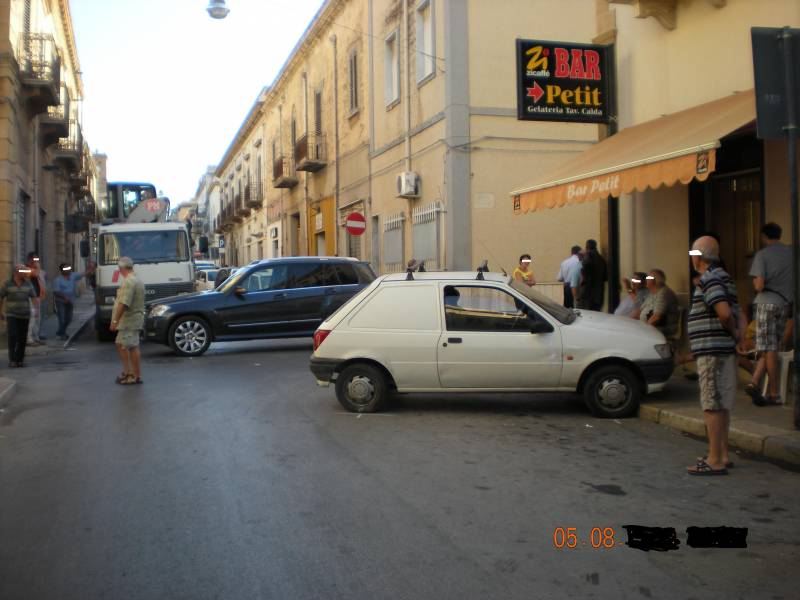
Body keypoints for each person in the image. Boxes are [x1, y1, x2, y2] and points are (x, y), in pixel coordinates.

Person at [686, 236, 745, 476]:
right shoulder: (725, 278)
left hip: (712, 350)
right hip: (721, 349)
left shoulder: (710, 278)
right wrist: (738, 335)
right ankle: (722, 453)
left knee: (711, 405)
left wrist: (731, 331)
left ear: (698, 257)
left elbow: (723, 312)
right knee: (721, 405)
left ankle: (715, 459)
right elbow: (739, 311)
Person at [745, 222, 794, 406]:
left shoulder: (762, 255)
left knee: (769, 348)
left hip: (766, 303)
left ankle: (774, 393)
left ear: (764, 237)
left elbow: (758, 285)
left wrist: (757, 283)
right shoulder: (791, 253)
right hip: (784, 304)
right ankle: (754, 382)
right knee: (772, 346)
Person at [110, 257, 145, 385]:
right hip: (131, 319)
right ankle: (128, 372)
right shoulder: (136, 279)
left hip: (129, 320)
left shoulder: (129, 282)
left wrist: (114, 321)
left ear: (121, 269)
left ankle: (134, 375)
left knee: (129, 346)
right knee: (122, 344)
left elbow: (124, 303)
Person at [0, 265, 36, 367]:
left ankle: (19, 360)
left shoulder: (28, 283)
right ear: (16, 272)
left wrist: (35, 309)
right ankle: (12, 360)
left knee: (22, 338)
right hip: (12, 314)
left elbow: (33, 297)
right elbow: (1, 297)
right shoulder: (7, 284)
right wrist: (0, 312)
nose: (25, 272)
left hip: (25, 314)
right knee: (13, 336)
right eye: (23, 271)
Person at [52, 262, 95, 341]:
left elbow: (83, 274)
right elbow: (56, 292)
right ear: (61, 271)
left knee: (69, 318)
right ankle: (63, 334)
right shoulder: (58, 280)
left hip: (70, 301)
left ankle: (60, 331)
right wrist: (64, 297)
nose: (68, 270)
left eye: (69, 268)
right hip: (60, 301)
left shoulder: (73, 276)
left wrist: (91, 268)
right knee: (62, 318)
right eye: (66, 268)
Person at [632, 269, 679, 338]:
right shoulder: (652, 293)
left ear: (655, 281)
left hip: (662, 328)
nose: (646, 280)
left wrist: (643, 330)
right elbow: (639, 311)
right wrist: (629, 323)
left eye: (648, 278)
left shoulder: (664, 293)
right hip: (649, 327)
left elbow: (656, 317)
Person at [578, 239, 607, 311]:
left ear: (587, 247)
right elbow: (606, 277)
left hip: (587, 294)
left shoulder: (587, 258)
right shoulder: (601, 259)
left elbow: (584, 276)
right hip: (599, 295)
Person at [25, 252, 46, 346]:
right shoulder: (24, 269)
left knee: (37, 318)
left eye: (38, 260)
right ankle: (29, 339)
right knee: (31, 318)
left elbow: (41, 278)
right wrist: (38, 267)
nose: (37, 262)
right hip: (29, 298)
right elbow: (36, 273)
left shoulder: (37, 270)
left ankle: (36, 337)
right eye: (35, 260)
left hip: (37, 297)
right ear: (29, 260)